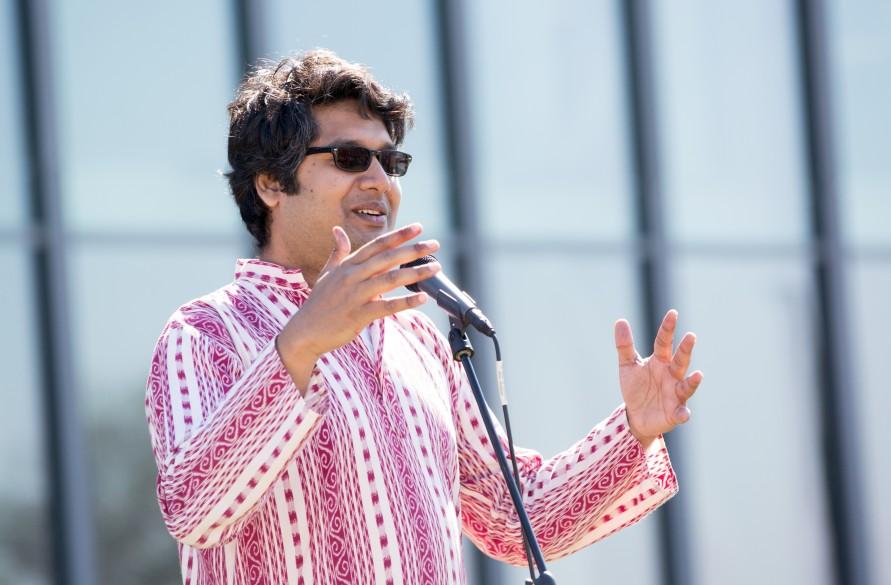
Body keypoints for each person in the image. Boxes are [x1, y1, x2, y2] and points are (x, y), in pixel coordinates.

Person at [144, 49, 703, 585]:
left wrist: (632, 430)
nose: (381, 182)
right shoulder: (204, 332)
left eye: (391, 162)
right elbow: (195, 513)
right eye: (348, 158)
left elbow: (517, 520)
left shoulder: (418, 338)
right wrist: (302, 346)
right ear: (270, 183)